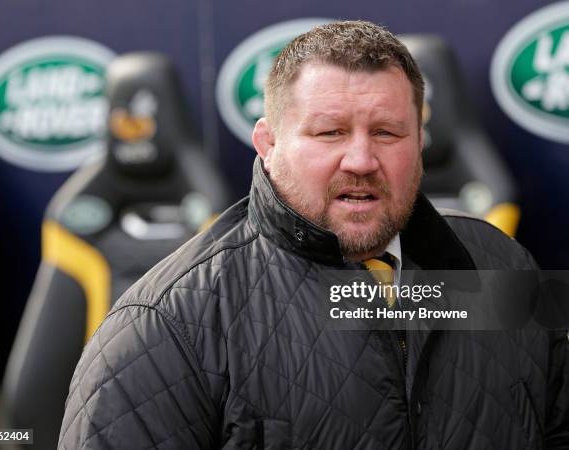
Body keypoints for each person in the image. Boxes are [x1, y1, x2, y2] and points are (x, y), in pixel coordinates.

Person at [58, 21, 569, 449]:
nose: (363, 160)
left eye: (388, 133)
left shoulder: (502, 265)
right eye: (330, 132)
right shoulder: (167, 324)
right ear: (268, 143)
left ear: (419, 142)